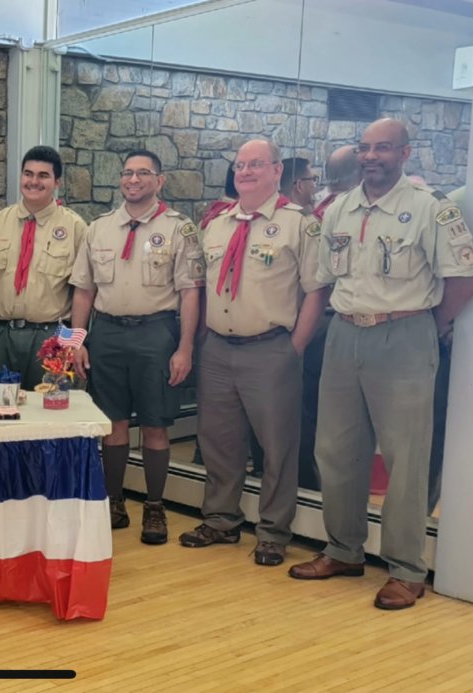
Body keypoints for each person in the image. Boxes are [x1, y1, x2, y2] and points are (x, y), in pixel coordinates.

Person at [290, 118, 473, 611]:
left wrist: (426, 326)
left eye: (383, 148)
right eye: (365, 148)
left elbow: (463, 281)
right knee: (335, 449)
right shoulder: (340, 210)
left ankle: (405, 568)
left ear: (405, 153)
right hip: (345, 332)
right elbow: (326, 278)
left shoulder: (430, 210)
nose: (371, 156)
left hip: (406, 335)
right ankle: (343, 550)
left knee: (406, 457)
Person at [177, 139, 327, 568]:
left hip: (271, 349)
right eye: (240, 165)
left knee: (278, 446)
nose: (245, 172)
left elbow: (317, 292)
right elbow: (203, 287)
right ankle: (221, 521)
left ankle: (274, 532)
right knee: (219, 441)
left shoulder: (300, 224)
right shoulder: (218, 224)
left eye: (256, 164)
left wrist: (294, 348)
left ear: (277, 170)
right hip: (220, 348)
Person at [70, 150, 203, 540]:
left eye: (143, 173)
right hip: (107, 333)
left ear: (159, 181)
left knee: (156, 424)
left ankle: (155, 506)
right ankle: (114, 502)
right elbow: (83, 291)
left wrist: (186, 348)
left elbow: (191, 293)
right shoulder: (100, 228)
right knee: (113, 424)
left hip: (156, 333)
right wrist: (78, 340)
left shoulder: (179, 228)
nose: (133, 180)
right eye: (127, 173)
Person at [0, 146, 88, 386]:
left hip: (51, 336)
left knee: (51, 414)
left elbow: (82, 290)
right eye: (28, 174)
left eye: (43, 175)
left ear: (57, 182)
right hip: (0, 336)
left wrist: (76, 341)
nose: (34, 181)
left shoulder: (75, 227)